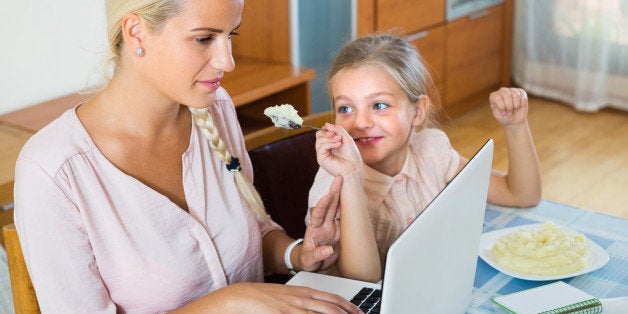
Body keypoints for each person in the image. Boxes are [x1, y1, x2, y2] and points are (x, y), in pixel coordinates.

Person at [13, 0, 364, 312]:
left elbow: (251, 229)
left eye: (231, 36)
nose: (227, 61)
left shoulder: (215, 107)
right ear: (136, 33)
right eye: (203, 38)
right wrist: (230, 302)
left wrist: (296, 255)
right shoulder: (53, 172)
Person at [309, 33, 542, 270]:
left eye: (379, 105)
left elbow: (520, 195)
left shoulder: (431, 150)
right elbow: (360, 283)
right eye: (345, 108)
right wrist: (350, 180)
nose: (360, 123)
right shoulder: (332, 184)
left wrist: (515, 126)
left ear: (418, 112)